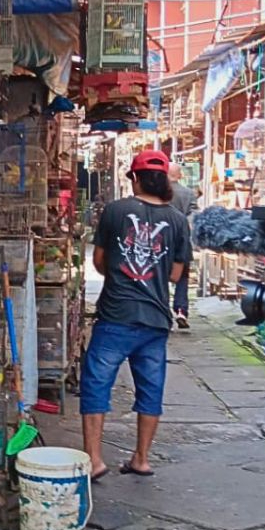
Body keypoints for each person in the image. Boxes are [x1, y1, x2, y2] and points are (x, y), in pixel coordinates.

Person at [82, 150, 190, 481]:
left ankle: (95, 460)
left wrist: (120, 270)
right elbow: (175, 274)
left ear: (135, 178)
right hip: (155, 320)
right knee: (151, 389)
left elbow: (99, 262)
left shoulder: (115, 211)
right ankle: (141, 458)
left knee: (96, 384)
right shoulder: (177, 220)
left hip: (116, 315)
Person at [167, 163, 199, 328]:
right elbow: (193, 215)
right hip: (182, 242)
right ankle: (181, 310)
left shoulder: (159, 193)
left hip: (162, 242)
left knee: (160, 278)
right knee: (182, 278)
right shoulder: (188, 193)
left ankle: (163, 312)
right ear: (179, 175)